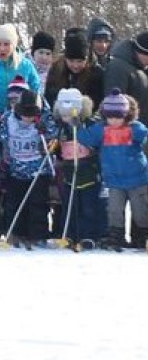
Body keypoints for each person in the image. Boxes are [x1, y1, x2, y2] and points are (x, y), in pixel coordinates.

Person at [78, 89, 148, 250]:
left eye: (119, 116)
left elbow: (145, 136)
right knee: (114, 210)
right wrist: (79, 125)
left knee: (141, 210)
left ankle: (143, 235)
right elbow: (86, 138)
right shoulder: (101, 129)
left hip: (138, 178)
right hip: (113, 180)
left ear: (126, 115)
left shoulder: (135, 129)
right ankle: (115, 235)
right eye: (110, 117)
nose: (114, 121)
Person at [0, 90, 58, 248]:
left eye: (32, 114)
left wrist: (46, 131)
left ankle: (37, 234)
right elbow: (1, 135)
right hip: (16, 169)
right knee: (14, 203)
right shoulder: (9, 118)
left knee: (37, 203)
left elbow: (53, 137)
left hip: (38, 170)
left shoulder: (45, 119)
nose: (28, 118)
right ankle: (15, 232)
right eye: (25, 113)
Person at [52, 88, 104, 248]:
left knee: (88, 206)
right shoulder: (61, 127)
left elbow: (96, 141)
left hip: (88, 170)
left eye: (69, 115)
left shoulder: (91, 124)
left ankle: (88, 235)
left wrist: (80, 129)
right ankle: (70, 234)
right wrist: (52, 148)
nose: (66, 119)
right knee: (70, 204)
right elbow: (57, 146)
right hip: (68, 171)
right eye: (63, 115)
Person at [0, 23, 40, 120]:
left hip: (23, 119)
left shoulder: (26, 65)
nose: (2, 48)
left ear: (14, 45)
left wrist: (31, 113)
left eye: (6, 44)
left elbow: (36, 90)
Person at [44, 30, 104, 111]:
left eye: (80, 61)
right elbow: (50, 96)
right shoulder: (55, 70)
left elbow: (97, 102)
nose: (75, 66)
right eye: (71, 61)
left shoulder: (96, 73)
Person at [102, 30, 148, 126]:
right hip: (127, 134)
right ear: (142, 52)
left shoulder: (140, 69)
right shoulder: (118, 68)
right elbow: (113, 105)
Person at [28, 31, 55, 95]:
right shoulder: (26, 69)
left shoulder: (54, 73)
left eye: (48, 54)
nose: (44, 57)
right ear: (33, 53)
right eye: (41, 52)